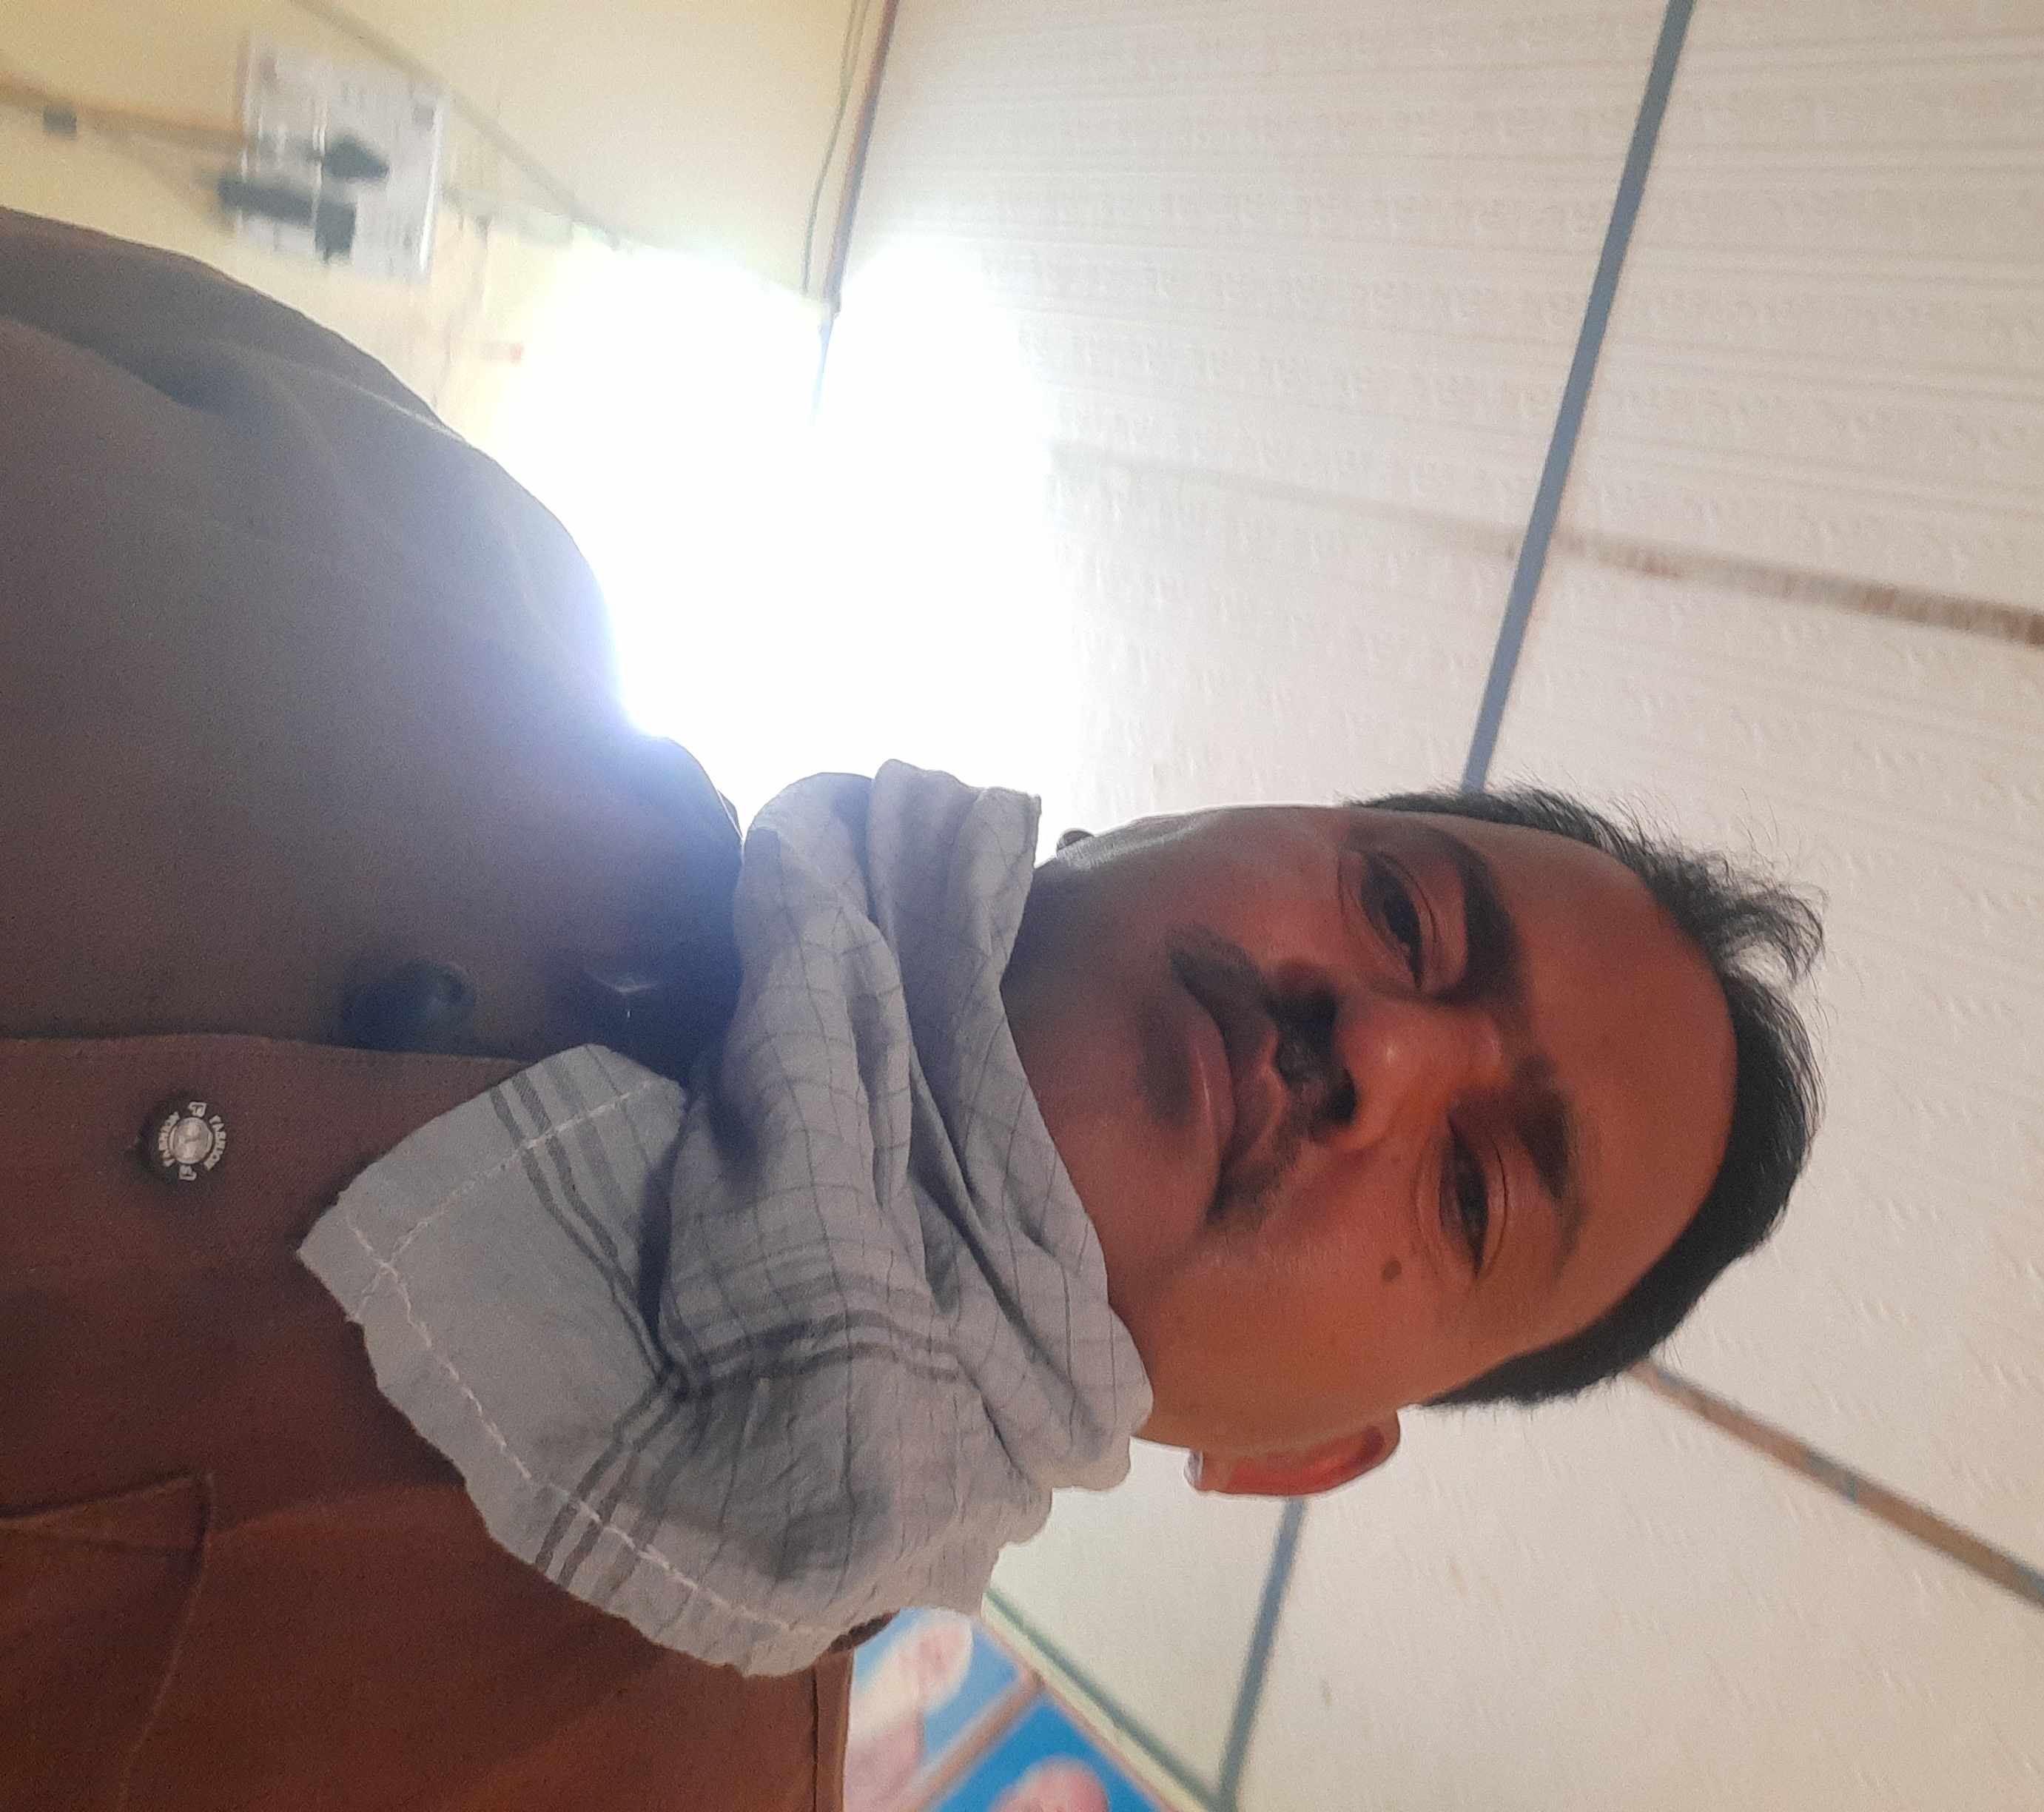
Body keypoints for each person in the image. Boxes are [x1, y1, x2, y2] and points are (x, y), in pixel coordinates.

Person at [0, 208, 1821, 1808]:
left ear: (1294, 1462)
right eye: (1403, 912)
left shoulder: (643, 1786)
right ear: (1178, 818)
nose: (1381, 1050)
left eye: (1475, 1191)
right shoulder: (424, 542)